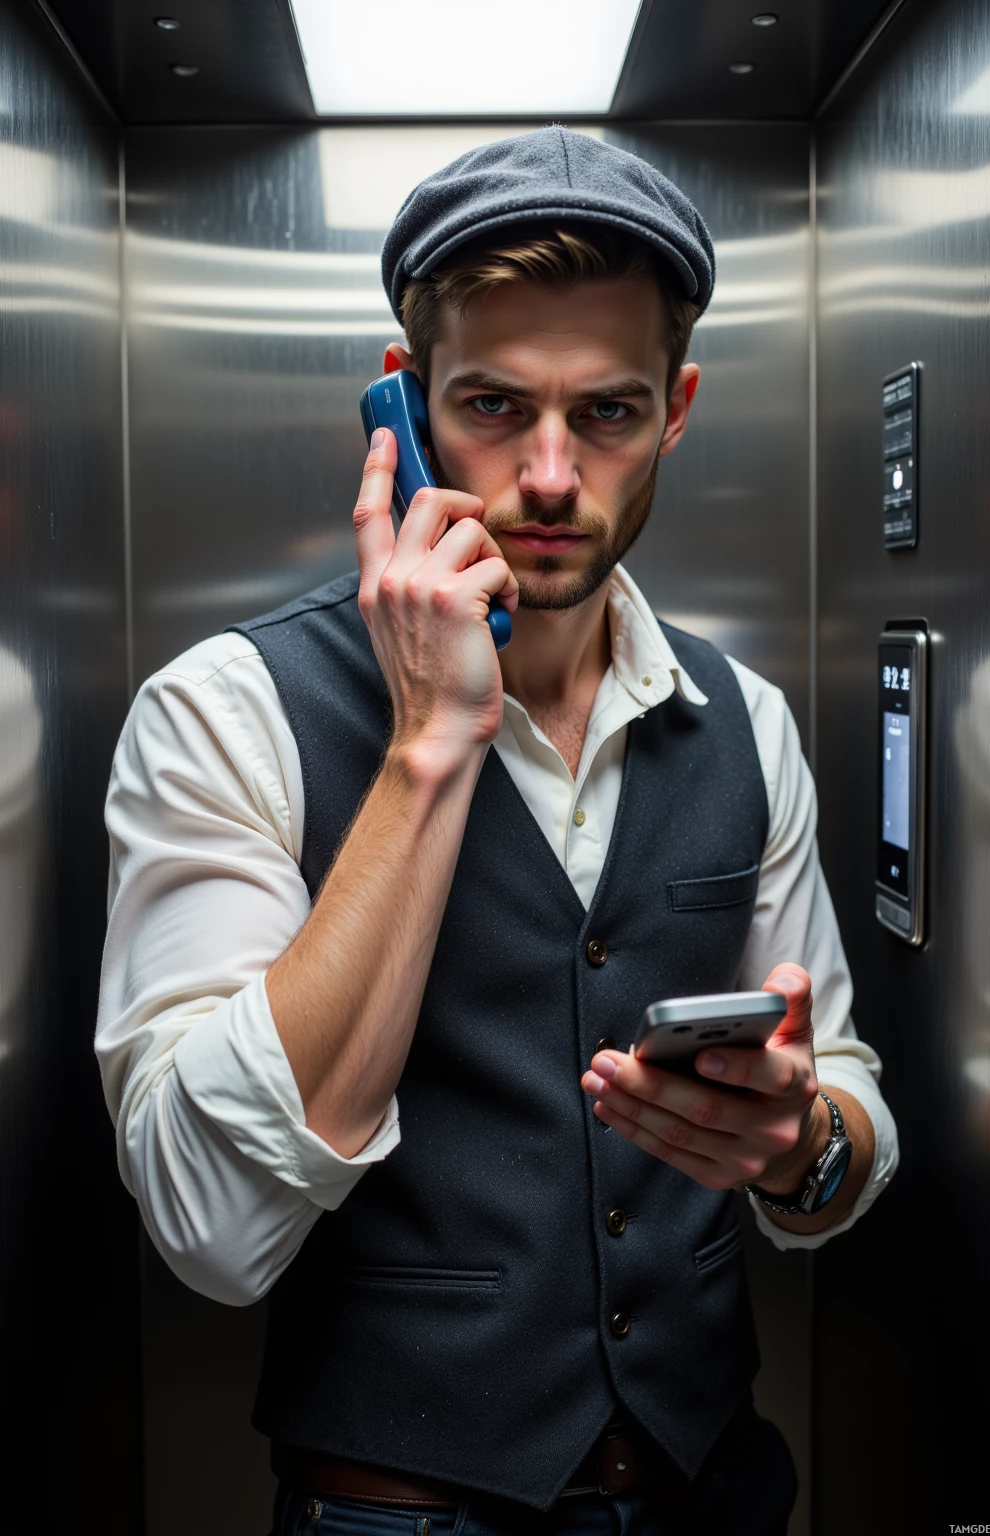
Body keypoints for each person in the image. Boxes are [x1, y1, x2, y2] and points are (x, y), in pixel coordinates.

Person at [97, 128, 898, 1535]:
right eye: (489, 405)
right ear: (398, 405)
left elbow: (841, 1125)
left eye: (606, 413)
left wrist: (800, 1147)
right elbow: (209, 1229)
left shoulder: (744, 720)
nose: (544, 475)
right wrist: (425, 750)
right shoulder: (227, 713)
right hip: (397, 1511)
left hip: (715, 1490)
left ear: (678, 410)